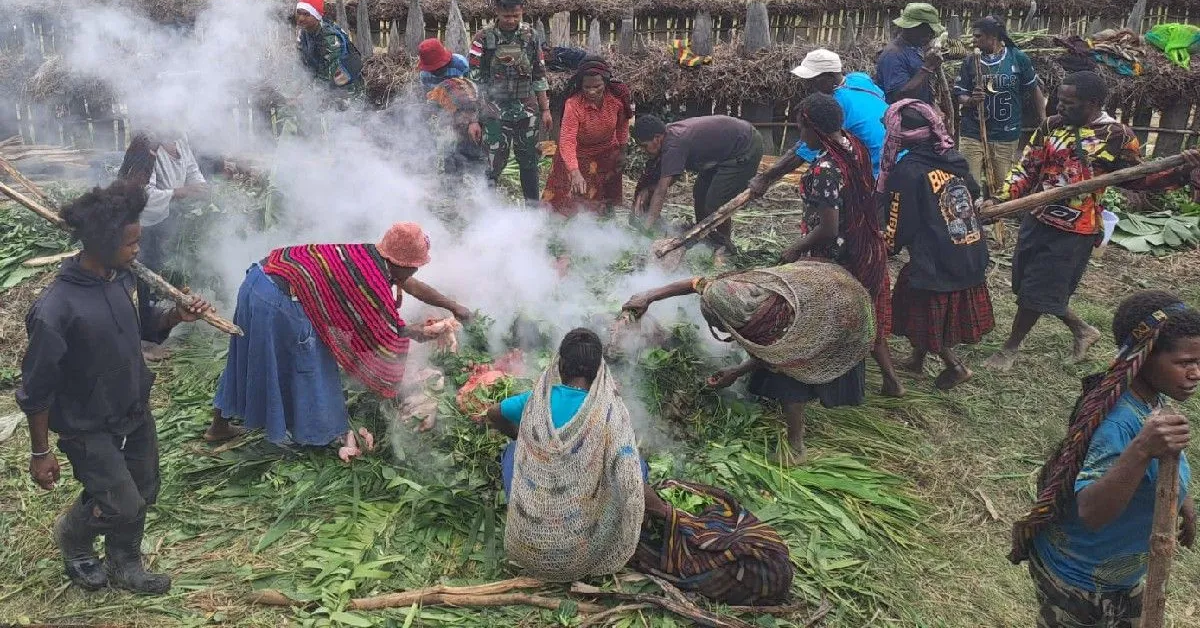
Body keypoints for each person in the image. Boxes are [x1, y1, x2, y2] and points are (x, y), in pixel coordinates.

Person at [16, 181, 213, 593]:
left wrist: (177, 315)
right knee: (121, 503)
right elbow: (36, 389)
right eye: (130, 244)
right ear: (101, 244)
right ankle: (74, 537)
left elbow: (145, 326)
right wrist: (40, 452)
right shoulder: (56, 309)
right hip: (86, 424)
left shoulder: (124, 279)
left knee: (144, 490)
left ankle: (126, 562)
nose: (137, 251)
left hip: (132, 407)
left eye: (138, 241)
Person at [982, 72, 1200, 372]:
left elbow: (1139, 179)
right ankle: (1084, 330)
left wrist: (1180, 172)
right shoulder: (1052, 125)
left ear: (1093, 103)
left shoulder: (1116, 136)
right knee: (1027, 284)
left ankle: (1010, 348)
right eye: (1059, 100)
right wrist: (999, 199)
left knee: (1037, 289)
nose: (1060, 107)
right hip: (1037, 218)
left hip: (1076, 229)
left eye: (1069, 103)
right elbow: (1027, 167)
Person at [1010, 291, 1198, 628]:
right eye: (1185, 363)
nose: (1196, 372)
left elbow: (1161, 460)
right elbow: (1092, 512)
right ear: (1144, 356)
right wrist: (1141, 449)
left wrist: (1184, 503)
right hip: (1079, 585)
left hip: (1119, 575)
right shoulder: (1118, 423)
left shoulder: (1149, 399)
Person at [205, 223, 472, 457]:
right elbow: (383, 334)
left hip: (257, 280)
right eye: (414, 268)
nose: (414, 273)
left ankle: (219, 427)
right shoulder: (372, 279)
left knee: (244, 354)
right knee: (310, 364)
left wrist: (453, 307)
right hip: (277, 300)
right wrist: (419, 333)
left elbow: (409, 286)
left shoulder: (372, 255)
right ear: (402, 264)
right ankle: (315, 435)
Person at [622, 259, 877, 466]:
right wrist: (649, 296)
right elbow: (695, 283)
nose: (715, 328)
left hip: (842, 312)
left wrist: (738, 370)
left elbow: (779, 360)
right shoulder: (735, 291)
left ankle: (796, 446)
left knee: (789, 381)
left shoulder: (778, 322)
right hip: (821, 281)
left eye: (719, 325)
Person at [757, 94, 904, 397]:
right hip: (865, 243)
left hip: (840, 255)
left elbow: (828, 228)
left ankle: (825, 383)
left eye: (802, 129)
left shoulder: (825, 168)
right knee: (867, 316)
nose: (801, 136)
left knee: (839, 319)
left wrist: (796, 248)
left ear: (815, 129)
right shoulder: (853, 145)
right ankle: (892, 381)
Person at [878, 100, 993, 391]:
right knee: (921, 301)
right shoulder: (951, 157)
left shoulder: (908, 171)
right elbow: (974, 191)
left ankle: (956, 367)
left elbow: (900, 220)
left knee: (924, 309)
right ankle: (916, 360)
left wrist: (885, 246)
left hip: (937, 257)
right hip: (968, 248)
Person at [485, 328, 650, 496]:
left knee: (514, 449)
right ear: (598, 371)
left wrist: (521, 435)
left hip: (538, 500)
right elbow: (626, 471)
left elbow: (493, 413)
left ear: (561, 365)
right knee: (636, 462)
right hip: (586, 503)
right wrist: (668, 514)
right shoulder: (609, 410)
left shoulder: (537, 399)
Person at [631, 114, 764, 255]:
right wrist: (647, 190)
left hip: (744, 147)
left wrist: (646, 228)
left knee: (715, 202)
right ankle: (705, 236)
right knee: (700, 193)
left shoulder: (674, 144)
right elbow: (671, 176)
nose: (644, 151)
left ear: (657, 138)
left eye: (645, 146)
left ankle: (725, 246)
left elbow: (661, 190)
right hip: (721, 153)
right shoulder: (669, 136)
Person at [117, 131, 209, 329]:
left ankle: (154, 326)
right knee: (137, 275)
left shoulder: (180, 139)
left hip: (165, 218)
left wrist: (200, 187)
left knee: (155, 273)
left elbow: (193, 171)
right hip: (139, 225)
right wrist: (181, 192)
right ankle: (139, 334)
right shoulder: (147, 145)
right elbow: (142, 195)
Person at [469, 0, 551, 203]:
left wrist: (545, 110)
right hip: (495, 112)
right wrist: (474, 120)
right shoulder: (483, 39)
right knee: (493, 164)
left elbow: (539, 74)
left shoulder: (530, 36)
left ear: (522, 11)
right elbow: (475, 82)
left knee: (529, 162)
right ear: (497, 12)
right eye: (506, 16)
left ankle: (533, 213)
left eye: (516, 15)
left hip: (527, 111)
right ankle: (487, 212)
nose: (511, 20)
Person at [954, 16, 1047, 195]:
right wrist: (971, 101)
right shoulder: (970, 62)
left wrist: (1044, 121)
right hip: (973, 132)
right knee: (969, 182)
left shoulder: (1017, 58)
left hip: (1005, 132)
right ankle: (973, 217)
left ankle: (998, 218)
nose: (973, 40)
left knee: (1002, 186)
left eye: (978, 36)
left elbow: (1034, 89)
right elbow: (960, 94)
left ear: (993, 37)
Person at [542, 56, 632, 217]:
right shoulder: (573, 104)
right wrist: (574, 172)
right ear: (580, 85)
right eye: (586, 87)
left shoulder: (616, 100)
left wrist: (622, 151)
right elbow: (567, 140)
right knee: (563, 199)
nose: (591, 91)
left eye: (597, 86)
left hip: (606, 153)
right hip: (576, 155)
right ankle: (557, 227)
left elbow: (623, 125)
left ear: (605, 83)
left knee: (601, 199)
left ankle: (604, 224)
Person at [791, 48, 888, 177]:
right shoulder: (860, 79)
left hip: (877, 170)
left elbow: (804, 150)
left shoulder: (835, 105)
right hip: (898, 152)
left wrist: (764, 179)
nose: (809, 85)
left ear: (829, 77)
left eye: (812, 80)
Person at [294, 0, 365, 107]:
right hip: (326, 90)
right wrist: (298, 89)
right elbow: (303, 65)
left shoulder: (330, 39)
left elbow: (328, 76)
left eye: (307, 14)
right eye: (299, 13)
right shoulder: (304, 33)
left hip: (347, 93)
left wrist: (306, 96)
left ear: (316, 16)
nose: (301, 18)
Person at [875, 2, 945, 105]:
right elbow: (899, 96)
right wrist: (927, 67)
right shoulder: (893, 55)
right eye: (928, 30)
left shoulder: (915, 49)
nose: (932, 35)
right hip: (903, 119)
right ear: (912, 28)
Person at [426, 77, 487, 178]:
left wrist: (473, 122)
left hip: (472, 129)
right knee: (452, 159)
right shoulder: (443, 93)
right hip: (460, 128)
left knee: (474, 161)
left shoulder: (469, 100)